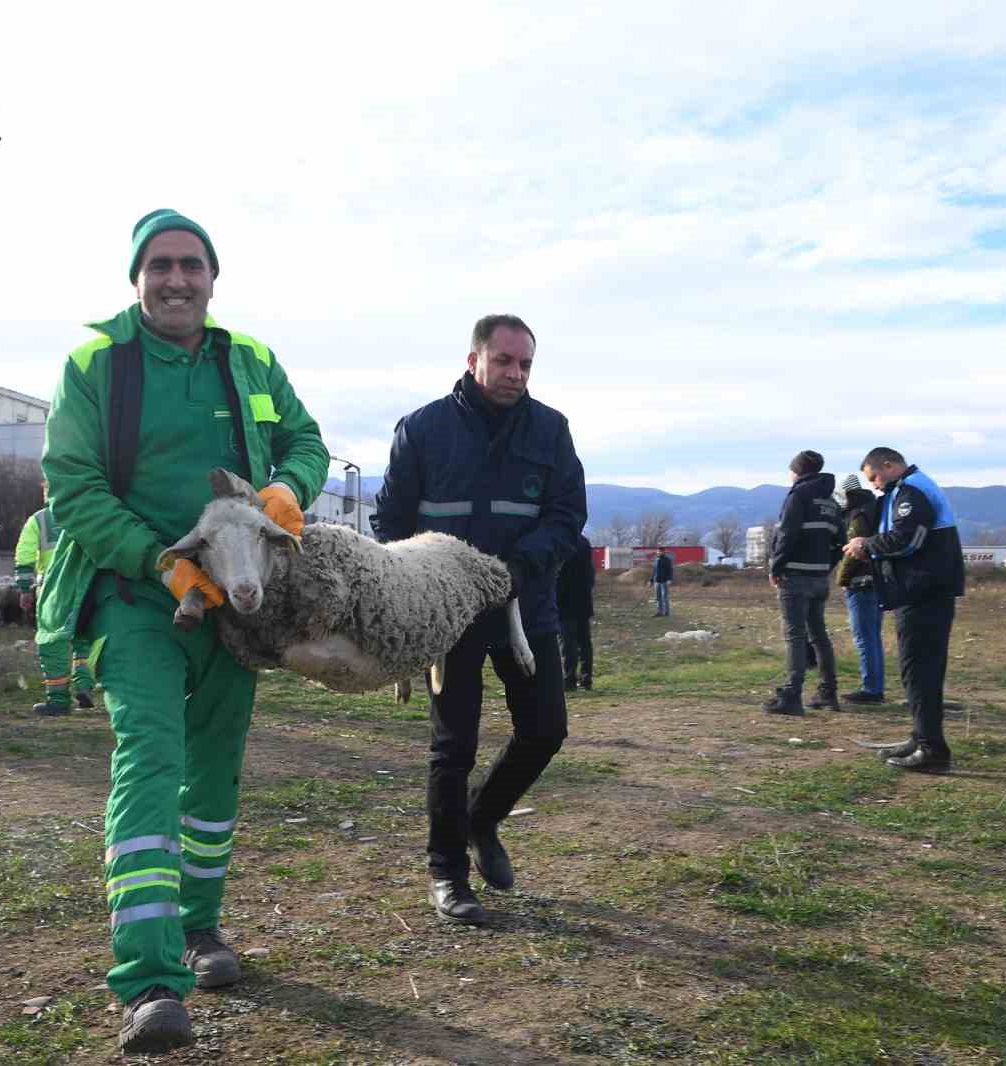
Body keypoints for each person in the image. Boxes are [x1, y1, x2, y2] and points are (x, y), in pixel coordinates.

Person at [37, 209, 328, 1054]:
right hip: (139, 600)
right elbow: (73, 485)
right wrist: (159, 563)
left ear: (212, 277)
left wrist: (286, 492)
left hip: (239, 609)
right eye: (160, 265)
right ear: (137, 277)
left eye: (191, 265)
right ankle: (150, 979)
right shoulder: (96, 363)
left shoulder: (251, 360)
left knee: (215, 776)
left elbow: (304, 439)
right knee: (152, 767)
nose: (176, 280)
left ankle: (201, 931)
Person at [374, 313, 587, 927]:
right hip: (447, 615)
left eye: (525, 365)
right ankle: (447, 873)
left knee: (545, 729)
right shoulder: (422, 429)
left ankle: (482, 818)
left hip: (527, 606)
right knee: (453, 746)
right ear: (474, 361)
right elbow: (390, 522)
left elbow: (567, 514)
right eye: (504, 362)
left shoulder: (551, 430)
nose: (515, 374)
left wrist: (520, 569)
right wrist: (424, 583)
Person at [843, 447, 965, 772]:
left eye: (875, 477)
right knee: (917, 672)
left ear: (890, 465)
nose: (875, 485)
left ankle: (932, 750)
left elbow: (908, 539)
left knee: (921, 670)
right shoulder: (905, 489)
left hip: (924, 593)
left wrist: (864, 545)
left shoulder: (912, 492)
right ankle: (922, 737)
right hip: (921, 592)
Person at [765, 450, 844, 715]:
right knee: (819, 635)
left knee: (795, 635)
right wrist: (825, 567)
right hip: (819, 578)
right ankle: (828, 693)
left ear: (797, 471)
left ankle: (791, 696)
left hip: (794, 577)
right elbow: (840, 543)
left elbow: (787, 533)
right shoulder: (831, 502)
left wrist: (776, 566)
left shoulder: (798, 495)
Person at [16, 480, 95, 716]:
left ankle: (58, 700)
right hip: (87, 587)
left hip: (53, 592)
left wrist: (24, 588)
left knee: (52, 642)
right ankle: (85, 686)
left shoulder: (39, 520)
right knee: (85, 641)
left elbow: (25, 554)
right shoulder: (88, 516)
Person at [836, 473, 885, 704]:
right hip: (876, 580)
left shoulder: (857, 515)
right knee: (873, 636)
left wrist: (842, 579)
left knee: (864, 638)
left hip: (861, 582)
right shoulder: (874, 508)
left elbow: (852, 552)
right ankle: (875, 686)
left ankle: (872, 689)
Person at [557, 532, 596, 690]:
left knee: (567, 643)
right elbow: (590, 574)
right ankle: (586, 679)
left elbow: (557, 576)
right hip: (583, 602)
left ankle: (569, 680)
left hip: (564, 603)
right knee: (584, 642)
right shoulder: (584, 543)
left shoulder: (561, 540)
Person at [651, 548, 674, 616]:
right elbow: (654, 571)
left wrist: (669, 579)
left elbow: (670, 570)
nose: (658, 552)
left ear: (663, 552)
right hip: (657, 581)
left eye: (659, 551)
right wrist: (651, 580)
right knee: (658, 598)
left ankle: (667, 612)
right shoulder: (656, 559)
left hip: (664, 581)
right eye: (657, 551)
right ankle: (660, 612)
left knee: (665, 597)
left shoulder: (667, 560)